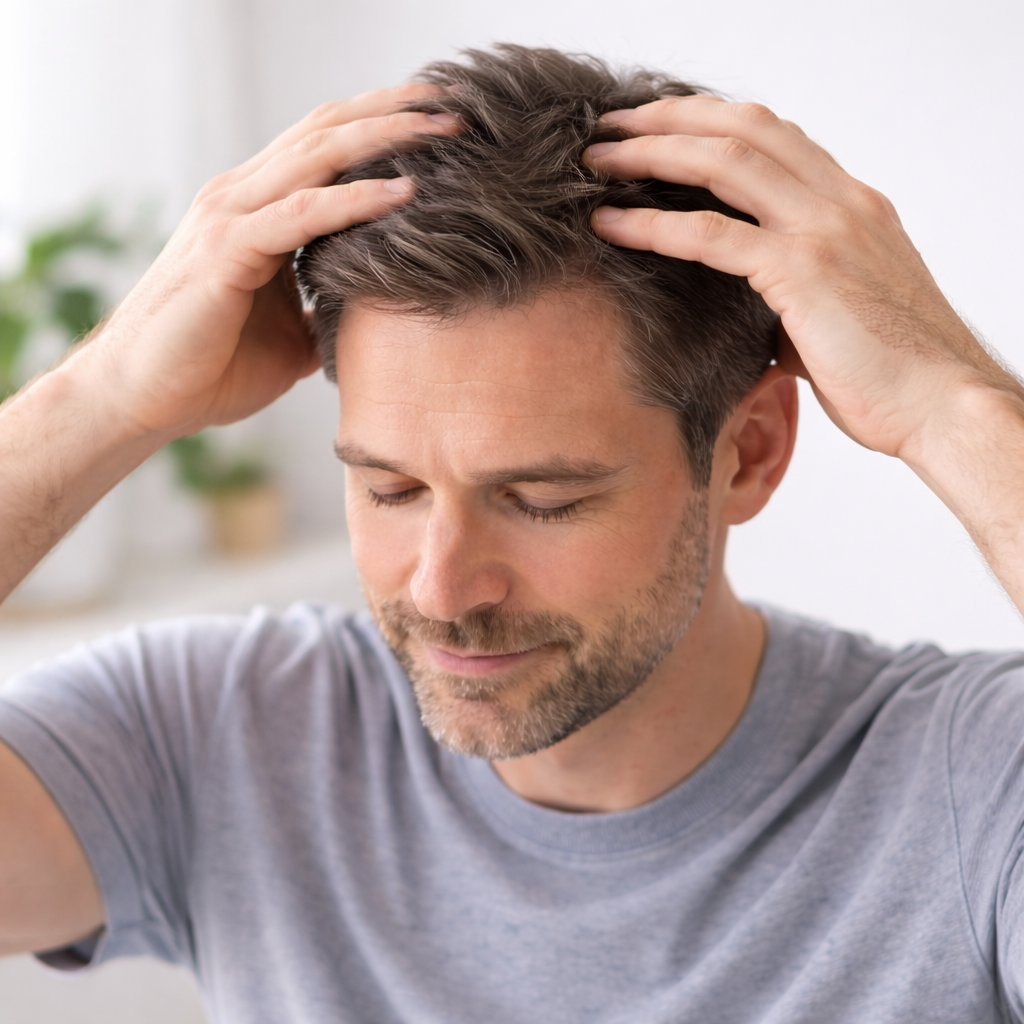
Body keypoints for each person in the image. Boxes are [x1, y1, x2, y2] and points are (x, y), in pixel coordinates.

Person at [2, 42, 1023, 1022]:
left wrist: (954, 410)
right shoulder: (226, 731)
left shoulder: (971, 784)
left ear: (747, 454)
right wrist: (104, 397)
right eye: (391, 490)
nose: (443, 589)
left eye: (542, 499)